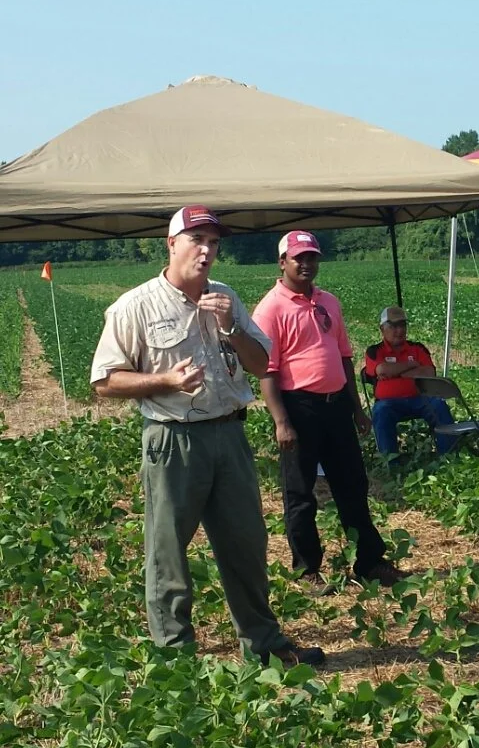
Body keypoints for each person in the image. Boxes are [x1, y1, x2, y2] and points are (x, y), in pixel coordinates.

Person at [90, 205, 324, 668]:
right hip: (172, 440)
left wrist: (232, 328)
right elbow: (105, 381)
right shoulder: (136, 306)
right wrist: (165, 381)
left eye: (213, 242)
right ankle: (175, 658)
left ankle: (264, 645)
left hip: (229, 435)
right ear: (171, 244)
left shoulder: (226, 297)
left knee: (246, 543)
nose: (206, 250)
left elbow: (262, 364)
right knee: (168, 551)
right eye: (196, 239)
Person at [252, 231, 400, 593]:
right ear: (282, 262)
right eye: (298, 258)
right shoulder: (270, 308)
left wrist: (357, 409)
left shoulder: (329, 302)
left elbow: (344, 357)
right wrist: (281, 422)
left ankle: (369, 561)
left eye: (312, 257)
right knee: (300, 493)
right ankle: (306, 569)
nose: (306, 264)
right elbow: (266, 371)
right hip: (299, 407)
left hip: (336, 406)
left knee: (353, 485)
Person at [364, 306, 458, 462]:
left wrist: (395, 372)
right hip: (389, 403)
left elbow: (429, 373)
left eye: (402, 325)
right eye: (394, 326)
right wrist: (412, 365)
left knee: (439, 405)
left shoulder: (417, 348)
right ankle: (390, 463)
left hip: (420, 398)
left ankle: (449, 458)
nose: (399, 330)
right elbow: (382, 369)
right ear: (382, 329)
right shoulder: (375, 351)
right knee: (380, 411)